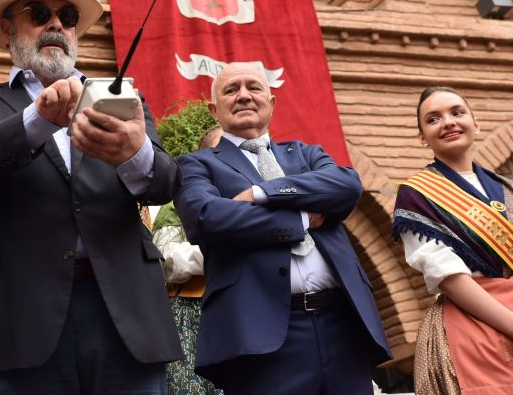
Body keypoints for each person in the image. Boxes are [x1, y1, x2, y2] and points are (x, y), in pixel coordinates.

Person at [0, 0, 182, 394]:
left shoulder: (121, 99)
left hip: (122, 315)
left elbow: (164, 183)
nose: (54, 24)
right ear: (9, 30)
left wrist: (134, 153)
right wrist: (36, 120)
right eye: (38, 13)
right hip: (17, 318)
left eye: (65, 17)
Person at [175, 63, 390, 395]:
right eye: (232, 89)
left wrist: (263, 193)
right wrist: (301, 218)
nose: (244, 95)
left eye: (254, 88)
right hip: (262, 334)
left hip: (343, 325)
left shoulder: (306, 154)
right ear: (214, 109)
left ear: (271, 103)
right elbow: (207, 218)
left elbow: (346, 186)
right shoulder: (197, 164)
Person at [393, 86, 513, 394]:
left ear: (476, 122)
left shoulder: (507, 188)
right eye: (433, 119)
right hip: (475, 322)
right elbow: (448, 277)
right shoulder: (417, 194)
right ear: (422, 137)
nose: (448, 122)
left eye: (457, 113)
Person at [153, 125, 223, 395]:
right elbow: (167, 260)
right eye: (220, 151)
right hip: (192, 316)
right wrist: (230, 254)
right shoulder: (178, 201)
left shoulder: (263, 199)